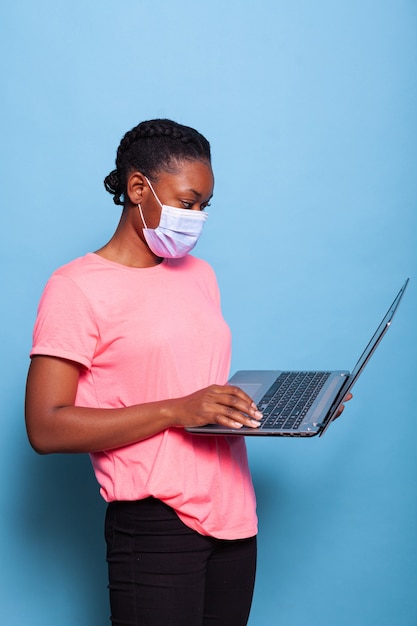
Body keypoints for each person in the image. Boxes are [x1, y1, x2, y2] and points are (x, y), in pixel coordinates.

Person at [25, 118, 350, 625]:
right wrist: (179, 409)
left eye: (204, 207)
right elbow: (45, 427)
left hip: (235, 517)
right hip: (155, 523)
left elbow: (201, 389)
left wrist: (295, 407)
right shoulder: (75, 287)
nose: (196, 218)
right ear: (138, 188)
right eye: (187, 202)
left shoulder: (200, 275)